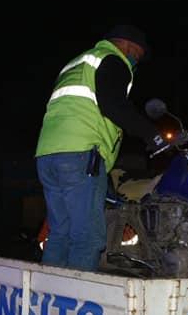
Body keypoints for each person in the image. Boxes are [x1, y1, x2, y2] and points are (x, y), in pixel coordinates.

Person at [33, 24, 161, 271]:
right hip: (81, 154)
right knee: (88, 237)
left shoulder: (78, 63)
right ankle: (74, 302)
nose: (136, 61)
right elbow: (113, 106)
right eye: (137, 54)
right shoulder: (113, 60)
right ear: (126, 45)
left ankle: (48, 297)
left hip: (48, 155)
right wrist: (153, 135)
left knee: (61, 232)